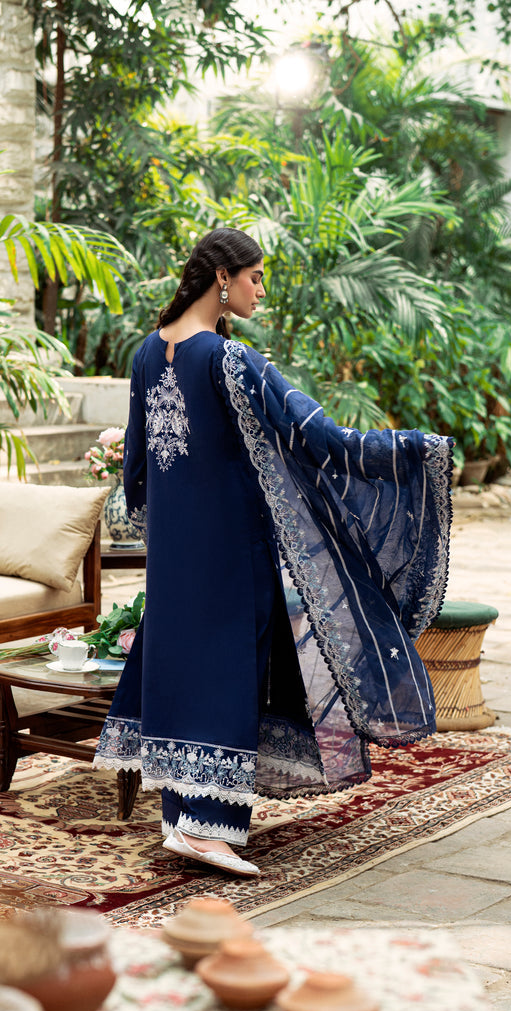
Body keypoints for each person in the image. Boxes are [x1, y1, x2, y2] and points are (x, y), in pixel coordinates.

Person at [92, 228, 453, 877]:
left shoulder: (148, 352)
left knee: (183, 668)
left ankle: (183, 821)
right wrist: (414, 451)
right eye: (255, 277)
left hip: (174, 552)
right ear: (222, 277)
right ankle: (206, 831)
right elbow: (321, 436)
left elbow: (136, 469)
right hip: (231, 548)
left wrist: (168, 531)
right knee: (229, 671)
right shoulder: (229, 360)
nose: (261, 291)